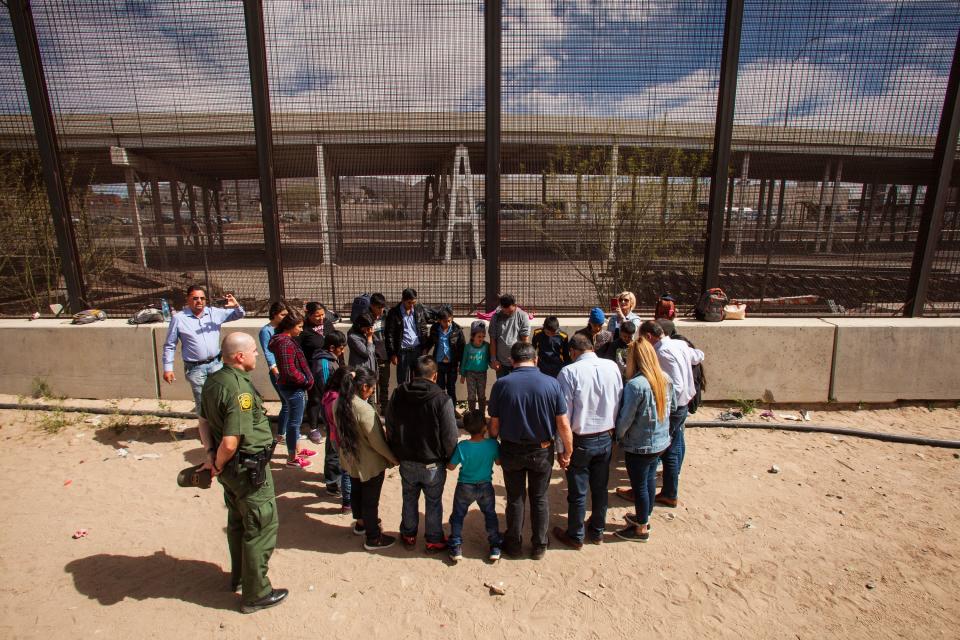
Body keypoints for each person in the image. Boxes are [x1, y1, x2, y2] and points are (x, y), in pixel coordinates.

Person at [199, 332, 287, 613]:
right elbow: (231, 440)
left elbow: (202, 420)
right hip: (248, 470)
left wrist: (210, 456)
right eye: (253, 351)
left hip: (231, 472)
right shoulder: (240, 391)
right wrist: (219, 460)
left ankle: (239, 577)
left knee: (238, 523)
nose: (257, 355)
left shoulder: (213, 381)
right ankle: (256, 593)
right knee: (261, 526)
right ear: (240, 357)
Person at [488, 342, 572, 560]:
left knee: (515, 498)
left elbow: (494, 425)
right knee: (540, 498)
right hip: (542, 450)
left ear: (511, 361)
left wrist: (492, 446)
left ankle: (514, 544)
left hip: (511, 449)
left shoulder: (501, 385)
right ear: (536, 360)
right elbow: (563, 424)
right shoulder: (552, 384)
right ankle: (539, 545)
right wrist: (567, 451)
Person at [552, 333, 623, 549]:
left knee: (578, 490)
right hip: (606, 436)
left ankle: (575, 535)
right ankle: (598, 530)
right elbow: (619, 400)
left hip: (580, 440)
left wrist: (563, 449)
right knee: (600, 488)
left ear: (573, 352)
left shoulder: (569, 372)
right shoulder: (612, 367)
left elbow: (563, 415)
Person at [386, 356, 459, 552]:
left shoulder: (398, 393)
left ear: (413, 374)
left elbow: (390, 426)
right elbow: (450, 435)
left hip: (407, 460)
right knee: (433, 502)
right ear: (435, 376)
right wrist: (451, 458)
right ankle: (434, 538)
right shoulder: (442, 399)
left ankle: (409, 535)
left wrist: (394, 452)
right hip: (433, 463)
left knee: (409, 498)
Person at [636, 319, 704, 508]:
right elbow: (698, 356)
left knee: (668, 450)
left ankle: (668, 492)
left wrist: (665, 403)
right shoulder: (679, 344)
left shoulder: (662, 352)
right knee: (677, 441)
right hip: (684, 404)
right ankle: (670, 490)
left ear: (649, 337)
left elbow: (676, 385)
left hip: (674, 407)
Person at [613, 339, 676, 542]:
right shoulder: (664, 378)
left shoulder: (635, 385)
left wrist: (617, 436)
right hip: (660, 441)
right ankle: (644, 518)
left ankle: (641, 529)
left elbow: (626, 417)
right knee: (648, 481)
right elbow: (673, 407)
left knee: (640, 485)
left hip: (639, 444)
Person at [335, 367, 399, 551]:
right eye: (372, 388)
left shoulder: (339, 402)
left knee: (356, 490)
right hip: (369, 462)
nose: (372, 391)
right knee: (371, 500)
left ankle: (360, 523)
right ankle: (373, 537)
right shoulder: (364, 409)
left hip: (351, 458)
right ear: (364, 387)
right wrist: (393, 458)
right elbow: (377, 442)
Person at [162, 285, 244, 414]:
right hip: (195, 368)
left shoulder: (214, 313)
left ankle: (218, 430)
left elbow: (239, 314)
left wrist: (236, 305)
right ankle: (206, 433)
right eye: (195, 298)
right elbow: (170, 345)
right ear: (188, 299)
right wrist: (168, 369)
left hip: (216, 365)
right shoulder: (179, 319)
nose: (199, 301)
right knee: (203, 404)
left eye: (202, 298)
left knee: (220, 398)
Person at [447, 410, 502, 562]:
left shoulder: (462, 446)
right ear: (485, 427)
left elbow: (451, 466)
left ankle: (456, 546)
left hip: (465, 485)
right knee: (490, 514)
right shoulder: (492, 444)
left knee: (458, 516)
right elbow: (498, 462)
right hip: (485, 485)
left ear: (465, 428)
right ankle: (495, 546)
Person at [268, 312, 317, 468]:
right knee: (294, 423)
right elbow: (290, 371)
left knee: (295, 421)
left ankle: (298, 450)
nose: (301, 330)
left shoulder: (286, 341)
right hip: (293, 388)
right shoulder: (285, 343)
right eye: (299, 326)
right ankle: (292, 458)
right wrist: (305, 380)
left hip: (293, 387)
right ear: (290, 326)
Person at [299, 301, 338, 439]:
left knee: (331, 397)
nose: (321, 318)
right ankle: (313, 428)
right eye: (317, 316)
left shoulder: (327, 324)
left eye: (322, 315)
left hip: (330, 367)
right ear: (308, 315)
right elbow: (299, 352)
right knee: (315, 399)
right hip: (313, 370)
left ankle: (330, 424)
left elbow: (336, 342)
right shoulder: (303, 330)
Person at [321, 366, 353, 514]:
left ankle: (334, 486)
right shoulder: (336, 400)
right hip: (341, 438)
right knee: (348, 471)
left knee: (341, 465)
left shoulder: (329, 394)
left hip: (334, 437)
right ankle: (348, 502)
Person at [385, 288, 429, 386]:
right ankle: (403, 400)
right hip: (402, 352)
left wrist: (425, 347)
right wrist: (392, 353)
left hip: (417, 350)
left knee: (419, 379)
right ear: (403, 300)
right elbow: (389, 334)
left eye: (414, 302)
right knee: (403, 381)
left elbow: (423, 329)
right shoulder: (394, 313)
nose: (412, 305)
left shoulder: (418, 310)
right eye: (409, 303)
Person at [258, 301, 288, 439]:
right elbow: (268, 352)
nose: (285, 317)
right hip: (278, 371)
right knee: (286, 402)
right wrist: (274, 368)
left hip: (287, 368)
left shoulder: (283, 328)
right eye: (282, 315)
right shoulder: (266, 331)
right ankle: (281, 434)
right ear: (274, 315)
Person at [423, 307, 464, 402]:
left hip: (452, 364)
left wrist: (461, 365)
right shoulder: (435, 329)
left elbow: (462, 348)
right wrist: (425, 351)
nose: (448, 324)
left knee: (451, 388)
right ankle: (440, 409)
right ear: (439, 321)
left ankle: (451, 409)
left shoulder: (457, 330)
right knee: (439, 388)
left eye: (449, 321)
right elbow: (430, 342)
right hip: (438, 363)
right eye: (445, 321)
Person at [488, 294, 531, 379]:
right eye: (505, 311)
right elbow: (492, 340)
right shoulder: (496, 317)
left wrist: (525, 361)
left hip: (518, 363)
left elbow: (525, 341)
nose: (507, 313)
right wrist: (493, 360)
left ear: (515, 305)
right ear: (501, 307)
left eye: (510, 311)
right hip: (501, 363)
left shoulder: (523, 316)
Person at [459, 320, 490, 415]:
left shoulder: (486, 346)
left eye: (483, 336)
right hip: (470, 374)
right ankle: (472, 414)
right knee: (471, 395)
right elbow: (464, 361)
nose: (481, 339)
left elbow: (490, 358)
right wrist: (463, 375)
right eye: (479, 336)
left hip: (482, 374)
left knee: (481, 394)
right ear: (472, 336)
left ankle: (481, 415)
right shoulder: (468, 347)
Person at [368, 293, 390, 413]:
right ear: (372, 306)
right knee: (371, 384)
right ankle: (372, 410)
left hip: (384, 356)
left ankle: (384, 408)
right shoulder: (366, 318)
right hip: (371, 357)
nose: (381, 310)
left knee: (384, 384)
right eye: (378, 308)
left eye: (383, 307)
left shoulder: (386, 316)